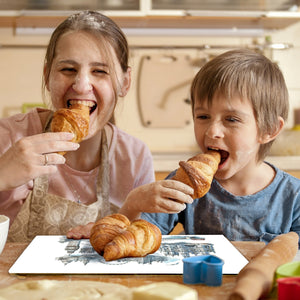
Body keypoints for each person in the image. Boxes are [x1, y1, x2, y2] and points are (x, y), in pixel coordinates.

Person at [0, 10, 156, 242]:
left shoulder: (134, 157)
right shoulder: (9, 137)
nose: (82, 85)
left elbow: (144, 242)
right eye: (68, 69)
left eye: (100, 71)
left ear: (125, 82)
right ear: (47, 76)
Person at [120, 48, 300, 246]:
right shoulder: (185, 183)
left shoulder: (293, 197)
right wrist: (134, 203)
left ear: (269, 129)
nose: (212, 131)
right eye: (203, 117)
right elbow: (137, 239)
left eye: (231, 119)